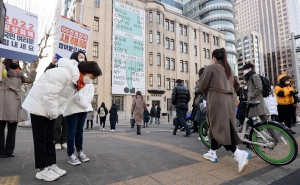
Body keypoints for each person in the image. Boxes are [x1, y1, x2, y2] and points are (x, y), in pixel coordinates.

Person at [22, 59, 101, 181]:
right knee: (41, 139)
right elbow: (49, 95)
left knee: (50, 138)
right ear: (85, 71)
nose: (91, 80)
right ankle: (42, 169)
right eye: (91, 77)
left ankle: (51, 165)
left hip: (49, 110)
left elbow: (65, 100)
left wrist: (57, 112)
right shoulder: (63, 74)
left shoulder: (77, 82)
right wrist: (54, 113)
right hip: (39, 106)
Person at [199, 48, 251, 173]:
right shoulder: (228, 69)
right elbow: (237, 85)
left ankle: (239, 154)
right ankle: (212, 152)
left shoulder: (211, 68)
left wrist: (211, 92)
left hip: (216, 99)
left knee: (219, 127)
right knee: (220, 126)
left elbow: (202, 86)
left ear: (214, 57)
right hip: (229, 101)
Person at [64, 59, 102, 166]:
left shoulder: (89, 82)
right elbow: (75, 95)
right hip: (72, 109)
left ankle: (80, 151)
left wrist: (85, 103)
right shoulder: (75, 77)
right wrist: (84, 103)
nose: (93, 79)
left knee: (79, 131)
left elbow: (91, 93)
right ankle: (71, 154)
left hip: (84, 108)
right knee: (72, 132)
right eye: (93, 76)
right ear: (87, 70)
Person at [0, 59, 37, 158]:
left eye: (16, 59)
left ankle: (9, 151)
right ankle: (0, 151)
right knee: (0, 128)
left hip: (15, 102)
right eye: (13, 58)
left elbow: (30, 80)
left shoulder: (19, 74)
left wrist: (33, 68)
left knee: (12, 129)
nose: (15, 60)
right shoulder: (2, 70)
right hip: (3, 101)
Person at [192, 68, 207, 133]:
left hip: (203, 101)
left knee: (202, 117)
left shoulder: (203, 80)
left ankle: (204, 134)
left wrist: (197, 90)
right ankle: (205, 133)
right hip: (207, 100)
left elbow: (201, 89)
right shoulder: (210, 78)